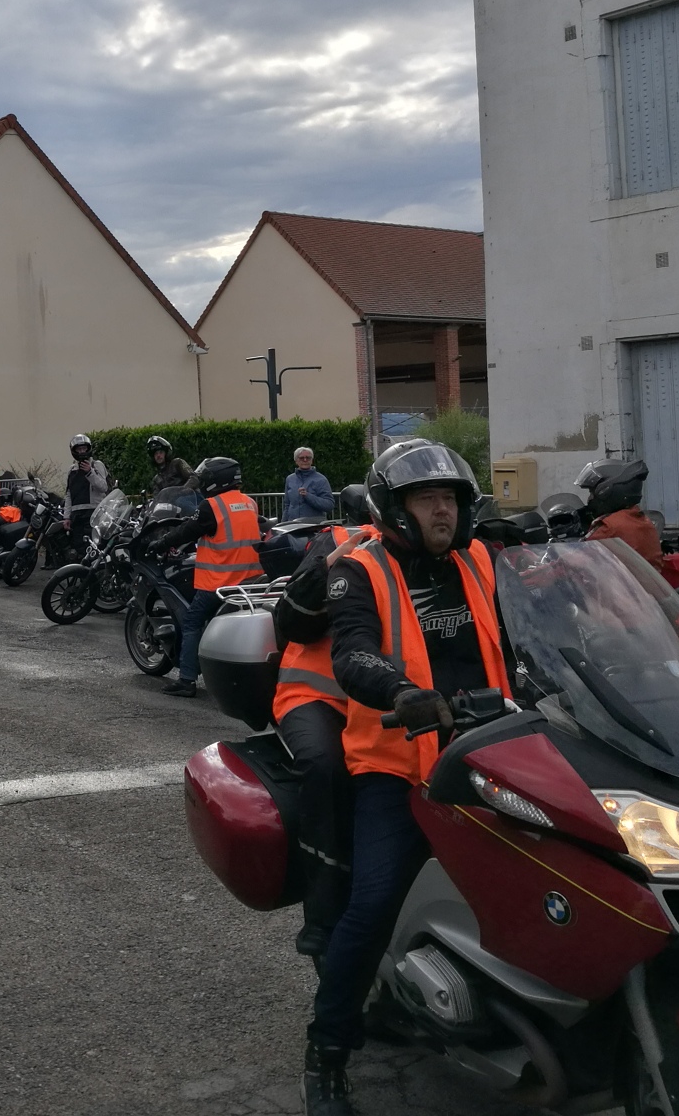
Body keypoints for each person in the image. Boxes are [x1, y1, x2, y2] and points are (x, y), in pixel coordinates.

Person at [294, 440, 511, 1115]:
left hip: (496, 748)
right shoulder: (359, 570)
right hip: (400, 762)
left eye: (451, 496)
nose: (443, 507)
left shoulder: (479, 559)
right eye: (427, 497)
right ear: (396, 508)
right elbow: (353, 651)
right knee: (374, 902)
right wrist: (400, 691)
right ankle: (328, 1050)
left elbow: (529, 627)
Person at [267, 483, 376, 960]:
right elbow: (290, 620)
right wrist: (324, 573)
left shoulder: (449, 553)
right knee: (325, 766)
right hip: (316, 694)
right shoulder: (338, 543)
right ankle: (323, 912)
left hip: (381, 698)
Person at [154, 457, 265, 699]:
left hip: (220, 582)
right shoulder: (249, 502)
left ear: (217, 481)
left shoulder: (212, 506)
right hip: (251, 580)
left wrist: (161, 543)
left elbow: (187, 531)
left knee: (192, 621)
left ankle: (186, 680)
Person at [576, 457, 663, 569]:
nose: (590, 498)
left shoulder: (610, 527)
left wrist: (549, 569)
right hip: (642, 584)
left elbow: (579, 558)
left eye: (592, 492)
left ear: (606, 492)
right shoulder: (642, 521)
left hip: (621, 585)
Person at [63, 436, 111, 561]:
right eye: (79, 449)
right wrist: (66, 517)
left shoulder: (97, 465)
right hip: (77, 514)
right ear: (74, 451)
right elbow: (69, 494)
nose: (82, 452)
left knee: (94, 547)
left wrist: (90, 472)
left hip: (94, 513)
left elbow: (103, 487)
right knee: (79, 547)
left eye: (84, 448)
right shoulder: (72, 470)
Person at [283, 448, 335, 522]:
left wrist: (308, 496)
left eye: (308, 458)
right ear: (296, 461)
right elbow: (287, 505)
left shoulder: (321, 479)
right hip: (293, 526)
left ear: (312, 460)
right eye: (301, 458)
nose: (305, 460)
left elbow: (329, 505)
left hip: (313, 526)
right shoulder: (290, 479)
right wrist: (283, 524)